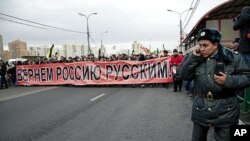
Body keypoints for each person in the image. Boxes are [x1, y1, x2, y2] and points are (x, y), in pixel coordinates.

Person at [179, 28, 250, 141]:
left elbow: (247, 77)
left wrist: (228, 80)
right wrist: (193, 58)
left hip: (226, 111)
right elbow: (183, 75)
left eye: (205, 45)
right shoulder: (195, 57)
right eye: (200, 45)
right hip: (201, 108)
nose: (201, 49)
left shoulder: (233, 58)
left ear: (215, 45)